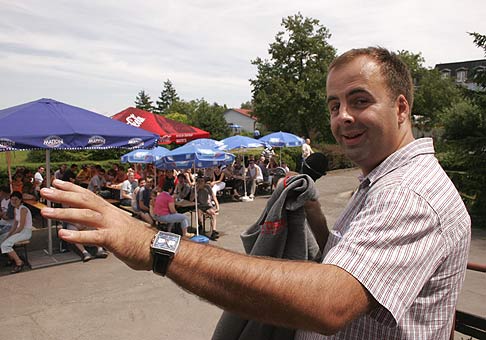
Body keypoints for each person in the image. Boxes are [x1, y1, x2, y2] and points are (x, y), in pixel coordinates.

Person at [40, 47, 471, 339]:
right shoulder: (380, 179)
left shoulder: (409, 193)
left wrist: (156, 246)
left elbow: (331, 304)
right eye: (334, 104)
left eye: (359, 101)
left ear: (400, 107)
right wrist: (315, 214)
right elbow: (357, 272)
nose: (343, 117)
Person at [0, 191, 33, 274]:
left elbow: (21, 226)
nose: (14, 201)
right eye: (12, 200)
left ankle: (19, 262)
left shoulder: (23, 209)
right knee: (1, 239)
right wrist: (9, 234)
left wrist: (11, 235)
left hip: (25, 232)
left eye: (16, 199)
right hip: (19, 231)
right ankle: (11, 258)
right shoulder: (16, 209)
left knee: (5, 244)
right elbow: (15, 225)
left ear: (20, 200)